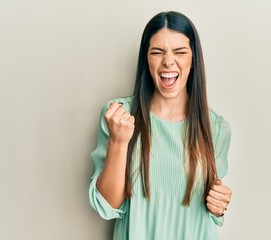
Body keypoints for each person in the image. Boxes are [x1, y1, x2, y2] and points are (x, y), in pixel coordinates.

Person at [89, 11, 232, 240]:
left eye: (180, 52)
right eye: (157, 52)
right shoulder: (119, 115)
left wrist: (219, 205)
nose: (168, 60)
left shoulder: (216, 128)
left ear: (193, 59)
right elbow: (107, 206)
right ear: (146, 59)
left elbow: (213, 204)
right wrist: (118, 141)